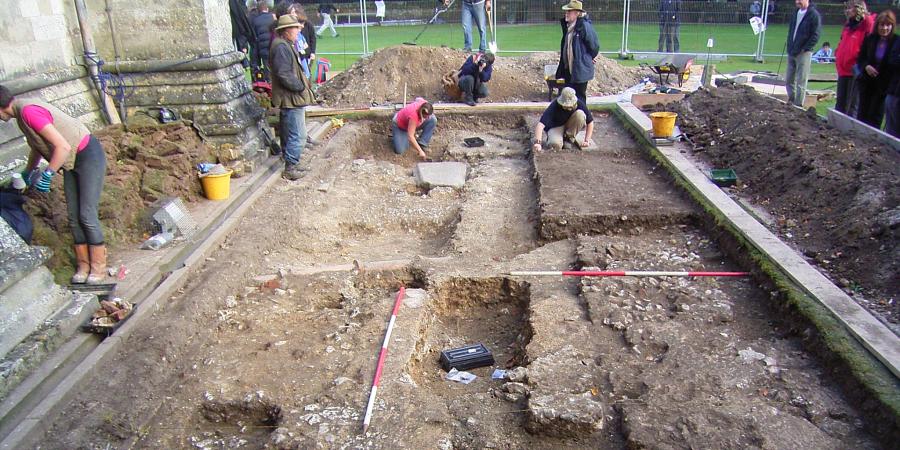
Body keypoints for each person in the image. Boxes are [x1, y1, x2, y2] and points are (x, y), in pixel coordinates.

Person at [0, 85, 108, 285]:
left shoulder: (29, 112)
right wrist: (28, 172)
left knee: (86, 214)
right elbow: (37, 146)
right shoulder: (21, 115)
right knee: (74, 217)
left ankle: (98, 267)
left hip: (87, 156)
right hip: (70, 161)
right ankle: (83, 265)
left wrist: (48, 174)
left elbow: (63, 146)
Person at [270, 15, 316, 180]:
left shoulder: (283, 45)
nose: (298, 30)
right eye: (295, 28)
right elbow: (284, 74)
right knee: (298, 134)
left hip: (289, 98)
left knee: (289, 132)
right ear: (286, 30)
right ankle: (291, 167)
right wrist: (300, 87)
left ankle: (291, 162)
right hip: (291, 99)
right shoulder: (282, 47)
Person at [855, 10, 897, 129]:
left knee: (875, 117)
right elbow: (861, 58)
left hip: (883, 86)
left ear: (892, 26)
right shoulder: (870, 39)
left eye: (888, 25)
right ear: (877, 25)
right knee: (862, 114)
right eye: (882, 25)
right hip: (866, 83)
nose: (884, 28)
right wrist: (866, 66)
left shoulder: (896, 42)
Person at [555, 0, 600, 104]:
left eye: (569, 11)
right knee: (568, 98)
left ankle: (583, 115)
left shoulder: (584, 26)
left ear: (577, 13)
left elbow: (594, 46)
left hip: (580, 70)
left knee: (580, 98)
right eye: (566, 11)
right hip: (569, 70)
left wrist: (588, 58)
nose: (566, 13)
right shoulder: (569, 27)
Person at [835, 0, 874, 116]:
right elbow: (842, 42)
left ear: (858, 10)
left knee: (851, 106)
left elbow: (870, 23)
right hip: (843, 70)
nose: (847, 11)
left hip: (854, 70)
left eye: (850, 8)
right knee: (840, 103)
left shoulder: (865, 25)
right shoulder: (848, 25)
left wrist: (864, 13)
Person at [532, 87, 594, 152]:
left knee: (580, 114)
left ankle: (568, 138)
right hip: (556, 127)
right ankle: (552, 139)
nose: (568, 108)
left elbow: (590, 122)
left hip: (570, 125)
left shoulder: (579, 103)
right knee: (555, 145)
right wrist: (538, 143)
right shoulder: (554, 105)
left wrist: (587, 140)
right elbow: (540, 125)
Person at [785, 0, 822, 107]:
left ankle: (798, 104)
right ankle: (791, 100)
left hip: (803, 52)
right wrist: (789, 45)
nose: (797, 1)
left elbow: (816, 34)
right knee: (788, 79)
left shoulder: (813, 15)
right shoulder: (795, 12)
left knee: (801, 80)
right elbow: (791, 30)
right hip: (792, 50)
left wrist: (805, 48)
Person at [251, 1, 276, 82]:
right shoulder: (272, 18)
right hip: (274, 47)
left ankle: (269, 82)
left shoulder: (255, 20)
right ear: (267, 8)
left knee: (267, 69)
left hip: (263, 50)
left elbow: (255, 38)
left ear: (258, 10)